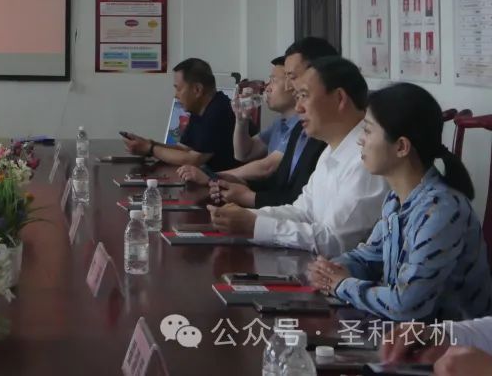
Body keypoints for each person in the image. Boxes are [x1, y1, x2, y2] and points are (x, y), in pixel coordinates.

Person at [305, 83, 492, 321]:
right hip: (408, 335)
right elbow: (370, 257)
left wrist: (341, 284)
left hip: (448, 340)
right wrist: (332, 269)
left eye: (368, 131)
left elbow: (406, 305)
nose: (360, 140)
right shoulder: (396, 200)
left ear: (401, 147)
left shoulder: (441, 210)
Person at [208, 56, 389, 257]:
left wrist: (255, 225)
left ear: (339, 99)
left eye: (304, 96)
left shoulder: (367, 157)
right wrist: (246, 216)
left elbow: (334, 242)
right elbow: (303, 212)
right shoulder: (331, 150)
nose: (298, 107)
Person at [209, 37, 335, 208]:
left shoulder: (320, 134)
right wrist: (241, 120)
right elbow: (244, 155)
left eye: (291, 77)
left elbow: (268, 169)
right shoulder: (294, 128)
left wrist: (217, 178)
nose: (290, 87)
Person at [121, 58, 238, 170]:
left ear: (197, 89)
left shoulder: (219, 110)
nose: (176, 95)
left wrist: (150, 149)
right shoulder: (199, 110)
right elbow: (183, 150)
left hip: (231, 181)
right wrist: (148, 144)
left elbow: (194, 159)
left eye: (178, 89)